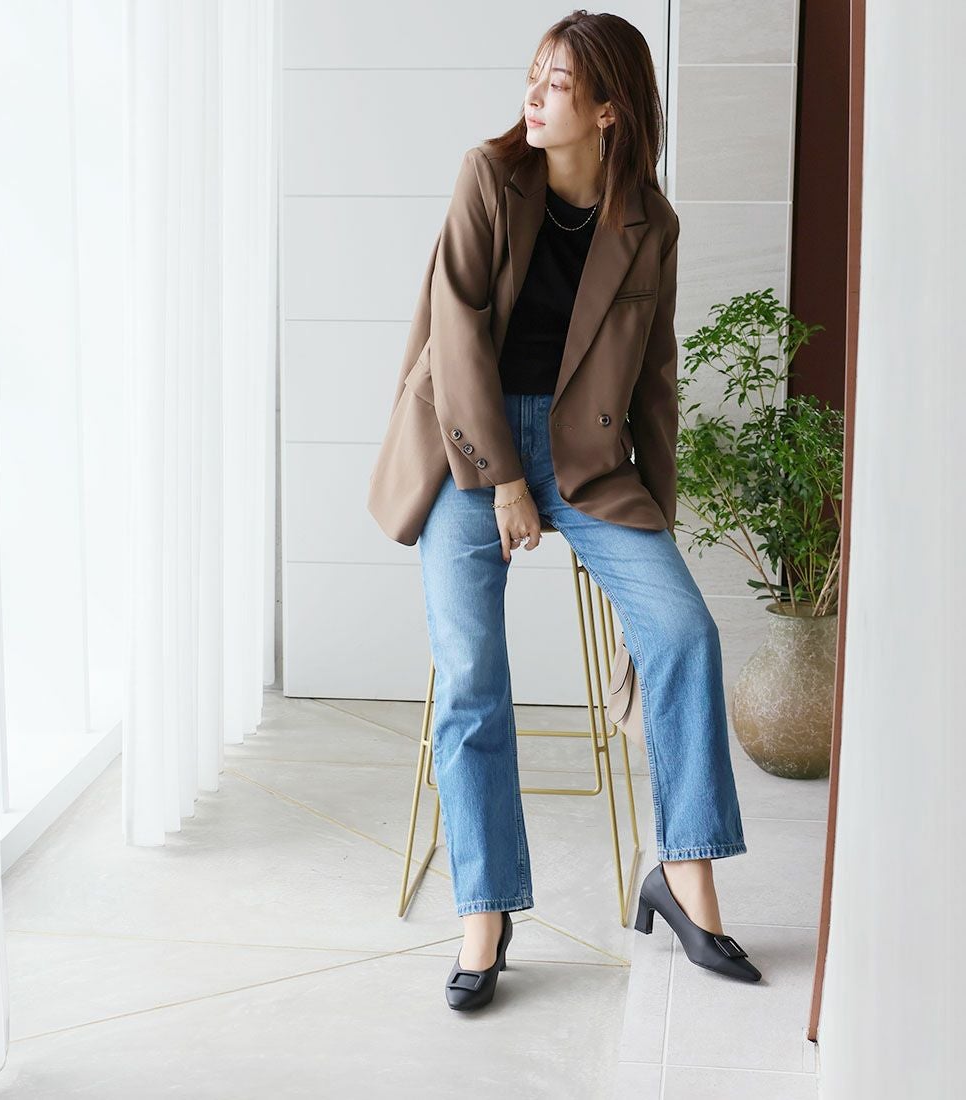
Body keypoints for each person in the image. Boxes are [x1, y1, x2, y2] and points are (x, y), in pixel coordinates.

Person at [372, 12, 762, 1011]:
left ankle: (684, 875)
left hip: (589, 461)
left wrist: (654, 529)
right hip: (468, 446)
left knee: (684, 632)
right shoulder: (488, 177)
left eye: (555, 84)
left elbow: (656, 383)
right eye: (533, 77)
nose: (532, 97)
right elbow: (457, 334)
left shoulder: (649, 224)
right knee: (471, 673)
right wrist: (504, 478)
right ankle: (486, 913)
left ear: (608, 110)